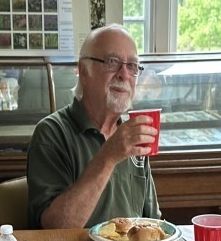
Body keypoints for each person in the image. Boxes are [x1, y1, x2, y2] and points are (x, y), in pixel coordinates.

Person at [26, 24, 159, 228]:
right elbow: (55, 229)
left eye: (132, 66)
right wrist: (108, 156)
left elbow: (153, 222)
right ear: (83, 71)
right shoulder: (51, 134)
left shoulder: (132, 136)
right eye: (112, 62)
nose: (124, 74)